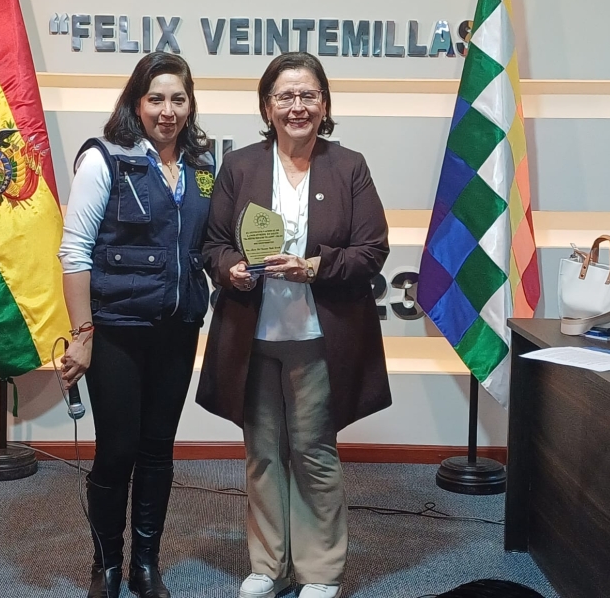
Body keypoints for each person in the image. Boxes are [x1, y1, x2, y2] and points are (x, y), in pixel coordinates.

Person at [197, 52, 392, 598]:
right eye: (285, 96)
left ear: (324, 105)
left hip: (318, 338)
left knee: (313, 452)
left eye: (308, 95)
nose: (297, 106)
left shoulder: (348, 166)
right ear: (267, 107)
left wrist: (315, 267)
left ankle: (320, 570)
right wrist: (230, 269)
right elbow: (213, 244)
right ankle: (269, 566)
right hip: (253, 336)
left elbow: (373, 249)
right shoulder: (239, 167)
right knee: (262, 454)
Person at [58, 52, 214, 598]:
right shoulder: (104, 159)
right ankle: (106, 565)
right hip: (116, 330)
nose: (167, 111)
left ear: (190, 104)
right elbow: (75, 251)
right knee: (117, 450)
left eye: (178, 99)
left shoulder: (202, 167)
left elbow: (207, 243)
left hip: (179, 327)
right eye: (156, 99)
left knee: (157, 450)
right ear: (136, 102)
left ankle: (145, 564)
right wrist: (82, 336)